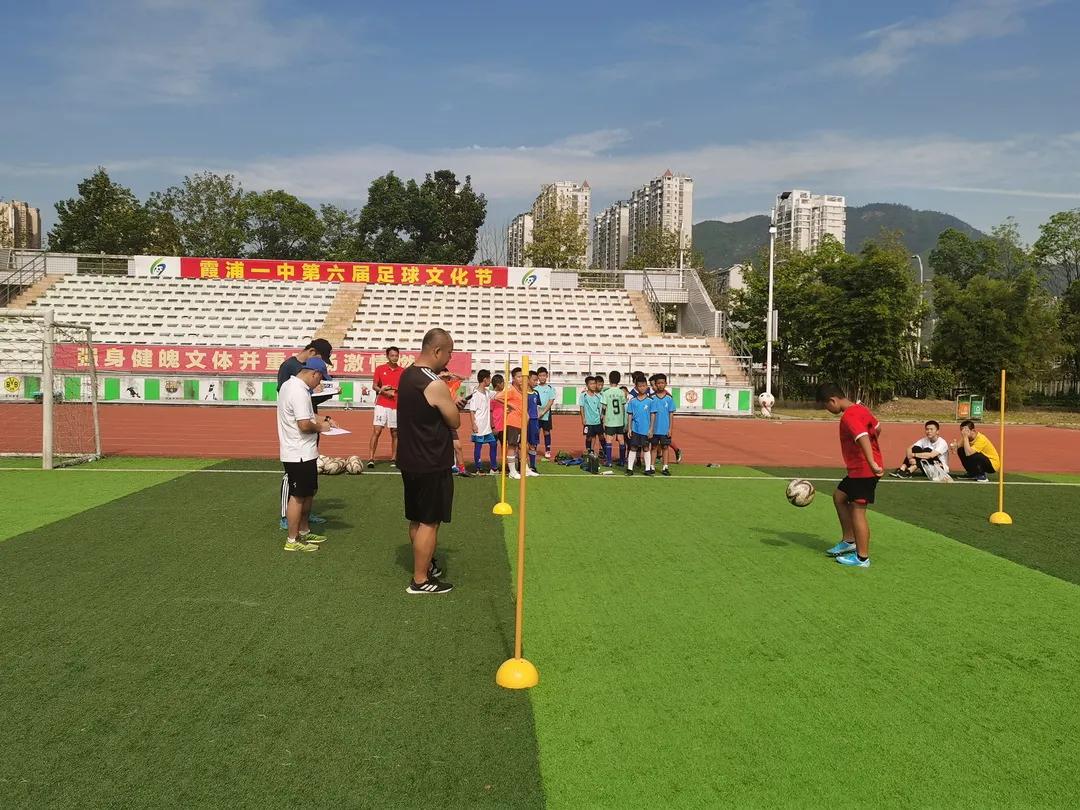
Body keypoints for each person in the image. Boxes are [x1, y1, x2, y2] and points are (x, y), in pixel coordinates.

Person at [397, 328, 459, 594]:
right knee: (429, 521)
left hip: (410, 458)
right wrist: (452, 400)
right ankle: (420, 579)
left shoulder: (408, 375)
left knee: (417, 518)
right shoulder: (433, 383)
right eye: (448, 354)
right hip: (431, 459)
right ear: (437, 351)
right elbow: (454, 419)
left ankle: (425, 565)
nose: (449, 360)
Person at [817, 383, 884, 569]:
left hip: (864, 470)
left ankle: (862, 558)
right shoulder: (860, 409)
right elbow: (877, 428)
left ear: (833, 400)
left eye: (826, 405)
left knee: (857, 510)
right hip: (858, 469)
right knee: (839, 496)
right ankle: (849, 541)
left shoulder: (849, 416)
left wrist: (871, 462)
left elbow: (862, 436)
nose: (827, 409)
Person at [278, 357, 338, 552]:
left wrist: (325, 419)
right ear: (314, 373)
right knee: (297, 496)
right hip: (298, 452)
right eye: (320, 379)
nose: (319, 384)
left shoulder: (291, 386)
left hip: (304, 451)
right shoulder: (298, 391)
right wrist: (323, 427)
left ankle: (303, 531)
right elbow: (304, 425)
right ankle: (292, 541)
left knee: (308, 492)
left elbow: (307, 416)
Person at [368, 346, 403, 469]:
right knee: (377, 431)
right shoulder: (380, 369)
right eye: (392, 355)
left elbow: (404, 388)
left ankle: (394, 458)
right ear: (387, 356)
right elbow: (374, 386)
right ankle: (371, 458)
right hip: (382, 404)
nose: (394, 357)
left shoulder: (402, 371)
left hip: (396, 405)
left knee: (395, 432)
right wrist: (383, 391)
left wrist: (394, 390)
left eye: (396, 355)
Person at [439, 370, 471, 476]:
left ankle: (462, 469)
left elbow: (464, 378)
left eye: (447, 375)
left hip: (449, 418)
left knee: (458, 446)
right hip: (437, 419)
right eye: (444, 375)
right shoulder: (435, 385)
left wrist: (452, 374)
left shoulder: (452, 384)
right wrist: (441, 375)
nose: (446, 377)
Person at [496, 367, 525, 479]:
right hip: (513, 421)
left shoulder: (520, 390)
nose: (521, 379)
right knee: (512, 446)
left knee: (517, 445)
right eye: (518, 377)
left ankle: (518, 469)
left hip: (519, 421)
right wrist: (509, 405)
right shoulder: (511, 389)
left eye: (522, 377)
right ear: (513, 378)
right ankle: (512, 471)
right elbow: (497, 397)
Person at [467, 370, 498, 474]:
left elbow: (497, 394)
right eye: (489, 378)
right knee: (478, 446)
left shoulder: (487, 392)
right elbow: (472, 411)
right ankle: (478, 468)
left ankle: (493, 467)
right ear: (485, 379)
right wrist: (473, 424)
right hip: (479, 425)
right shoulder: (475, 394)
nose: (490, 380)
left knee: (493, 444)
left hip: (487, 427)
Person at [625, 373, 655, 476]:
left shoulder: (650, 401)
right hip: (635, 429)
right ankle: (629, 468)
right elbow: (630, 415)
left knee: (646, 448)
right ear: (636, 387)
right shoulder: (632, 401)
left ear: (647, 386)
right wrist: (629, 428)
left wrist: (651, 429)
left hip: (645, 429)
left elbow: (652, 415)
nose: (642, 388)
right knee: (633, 447)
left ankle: (647, 469)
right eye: (640, 386)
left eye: (644, 386)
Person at [650, 374, 677, 476]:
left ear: (666, 383)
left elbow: (671, 414)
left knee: (665, 447)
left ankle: (665, 466)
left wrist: (670, 428)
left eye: (662, 383)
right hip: (654, 429)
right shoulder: (652, 398)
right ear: (655, 385)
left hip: (665, 428)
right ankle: (651, 466)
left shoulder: (669, 398)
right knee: (654, 447)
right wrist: (650, 428)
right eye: (658, 383)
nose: (660, 385)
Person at [600, 370, 628, 467]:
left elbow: (604, 407)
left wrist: (602, 418)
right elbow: (623, 407)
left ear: (609, 379)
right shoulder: (621, 392)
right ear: (619, 380)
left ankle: (609, 461)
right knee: (621, 439)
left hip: (610, 420)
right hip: (619, 420)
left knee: (609, 439)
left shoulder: (606, 392)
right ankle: (622, 461)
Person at [535, 367, 557, 460]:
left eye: (544, 375)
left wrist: (543, 412)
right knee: (536, 432)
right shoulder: (535, 388)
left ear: (547, 376)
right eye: (540, 376)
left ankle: (547, 450)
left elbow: (550, 401)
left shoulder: (550, 388)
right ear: (538, 377)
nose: (542, 377)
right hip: (536, 414)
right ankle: (534, 448)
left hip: (546, 414)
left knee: (546, 432)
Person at [580, 375, 604, 456]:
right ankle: (589, 451)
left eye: (594, 383)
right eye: (591, 384)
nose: (593, 385)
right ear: (587, 385)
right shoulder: (583, 395)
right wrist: (583, 418)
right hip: (588, 421)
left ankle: (604, 451)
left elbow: (600, 408)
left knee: (601, 436)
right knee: (589, 437)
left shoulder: (598, 396)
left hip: (597, 420)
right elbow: (582, 407)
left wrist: (602, 416)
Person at [490, 373, 507, 470]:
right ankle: (493, 466)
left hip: (504, 425)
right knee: (493, 445)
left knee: (505, 446)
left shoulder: (504, 395)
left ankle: (506, 465)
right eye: (503, 382)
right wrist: (493, 426)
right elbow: (490, 411)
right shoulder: (492, 396)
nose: (504, 384)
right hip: (496, 426)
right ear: (498, 384)